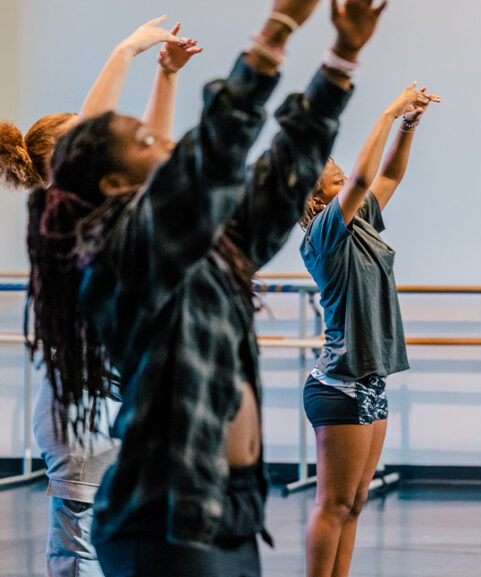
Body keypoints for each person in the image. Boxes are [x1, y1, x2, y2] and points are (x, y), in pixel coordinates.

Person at [45, 0, 386, 573]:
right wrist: (275, 33)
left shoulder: (211, 247)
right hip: (166, 521)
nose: (167, 144)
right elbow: (217, 151)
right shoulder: (124, 254)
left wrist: (341, 59)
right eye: (148, 144)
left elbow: (283, 175)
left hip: (231, 513)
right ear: (111, 182)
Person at [0, 16, 200, 576]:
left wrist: (167, 75)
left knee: (123, 547)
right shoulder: (62, 219)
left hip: (113, 396)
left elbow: (153, 153)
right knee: (79, 551)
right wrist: (127, 49)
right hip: (80, 406)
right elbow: (98, 128)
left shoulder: (111, 217)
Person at [298, 81, 438, 577]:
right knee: (332, 503)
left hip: (369, 382)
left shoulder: (359, 221)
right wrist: (388, 109)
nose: (332, 163)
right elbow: (360, 177)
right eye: (322, 164)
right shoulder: (324, 232)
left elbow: (388, 174)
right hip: (339, 384)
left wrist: (409, 123)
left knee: (356, 502)